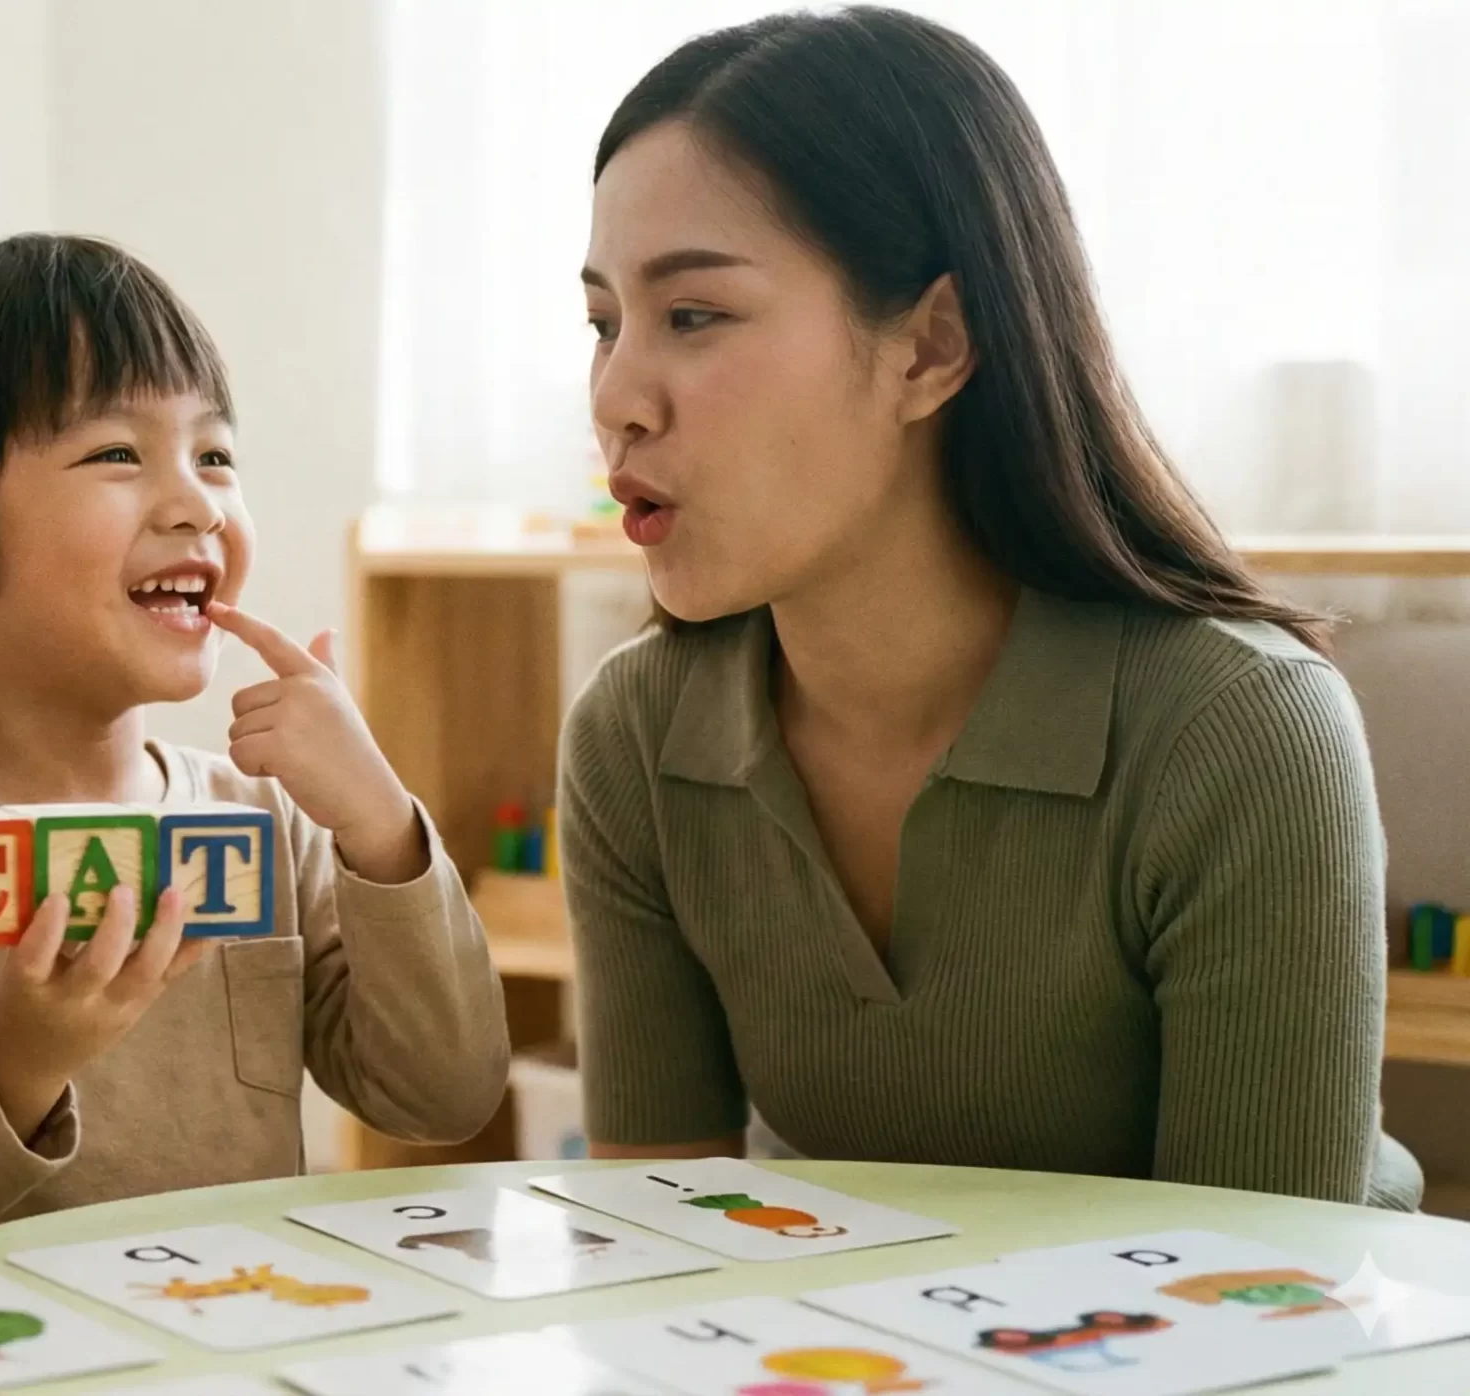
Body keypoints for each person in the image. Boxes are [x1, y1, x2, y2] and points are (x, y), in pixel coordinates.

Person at [561, 6, 1419, 1208]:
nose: (616, 397)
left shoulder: (1240, 732)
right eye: (603, 324)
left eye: (692, 315)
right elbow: (659, 1236)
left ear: (931, 346)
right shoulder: (636, 736)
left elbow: (1259, 1292)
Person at [0, 233, 510, 1270]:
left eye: (214, 454)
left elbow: (444, 1095)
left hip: (246, 1329)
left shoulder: (263, 816)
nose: (197, 503)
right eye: (117, 454)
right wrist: (15, 1062)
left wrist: (382, 828)